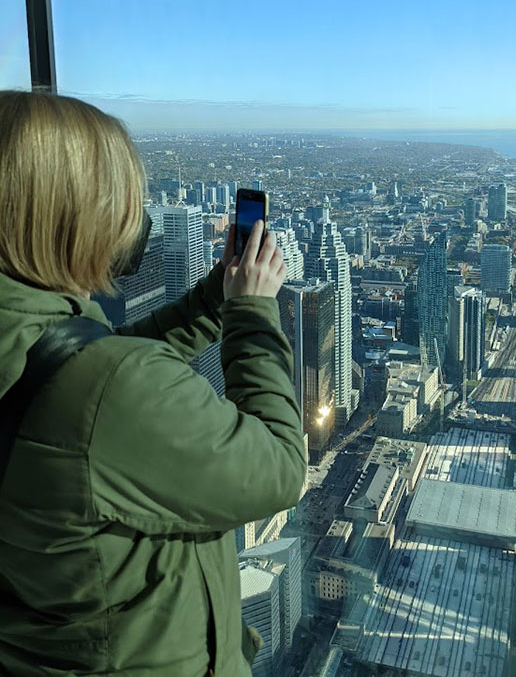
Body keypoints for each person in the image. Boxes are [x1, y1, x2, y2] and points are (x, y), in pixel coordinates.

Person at [0, 90, 307, 676]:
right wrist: (251, 313)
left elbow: (77, 375)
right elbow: (280, 467)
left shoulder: (36, 347)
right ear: (71, 217)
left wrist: (215, 295)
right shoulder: (106, 391)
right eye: (119, 202)